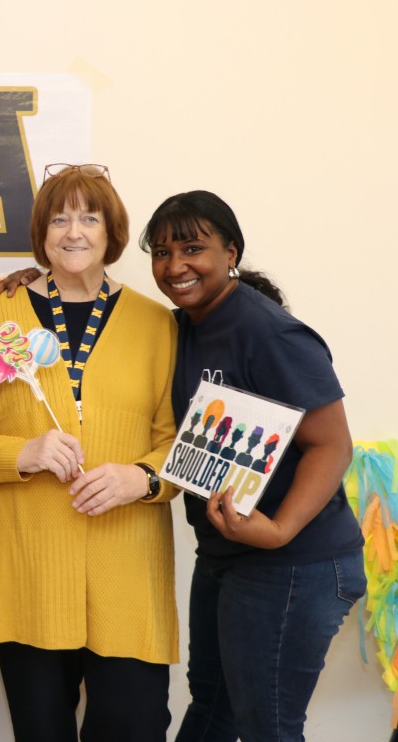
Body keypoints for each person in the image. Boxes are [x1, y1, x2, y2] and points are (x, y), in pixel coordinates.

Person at [0, 163, 179, 742]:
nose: (73, 231)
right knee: (41, 732)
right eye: (59, 218)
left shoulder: (159, 325)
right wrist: (23, 453)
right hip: (29, 568)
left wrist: (142, 479)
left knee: (134, 726)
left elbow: (180, 441)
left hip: (126, 567)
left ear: (112, 232)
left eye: (89, 217)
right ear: (41, 233)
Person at [141, 190, 365, 742]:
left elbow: (333, 445)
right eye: (162, 253)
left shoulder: (269, 331)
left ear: (231, 252)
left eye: (193, 248)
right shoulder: (181, 328)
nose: (176, 266)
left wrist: (279, 528)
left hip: (295, 562)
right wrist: (34, 280)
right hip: (227, 554)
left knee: (267, 727)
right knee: (212, 707)